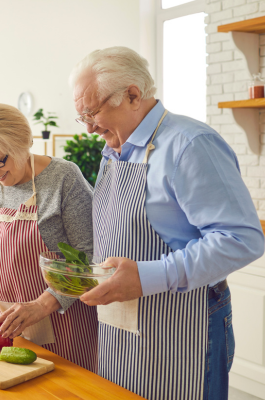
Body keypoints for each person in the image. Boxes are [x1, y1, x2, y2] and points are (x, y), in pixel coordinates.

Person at [69, 46, 265, 399]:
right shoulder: (115, 150)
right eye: (80, 115)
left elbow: (241, 239)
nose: (87, 127)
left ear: (132, 95)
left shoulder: (190, 144)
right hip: (122, 322)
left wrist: (145, 278)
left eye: (92, 112)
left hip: (185, 321)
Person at [0, 103, 98, 372]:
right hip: (7, 326)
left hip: (65, 324)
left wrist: (40, 306)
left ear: (23, 143)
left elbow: (89, 259)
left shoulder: (63, 178)